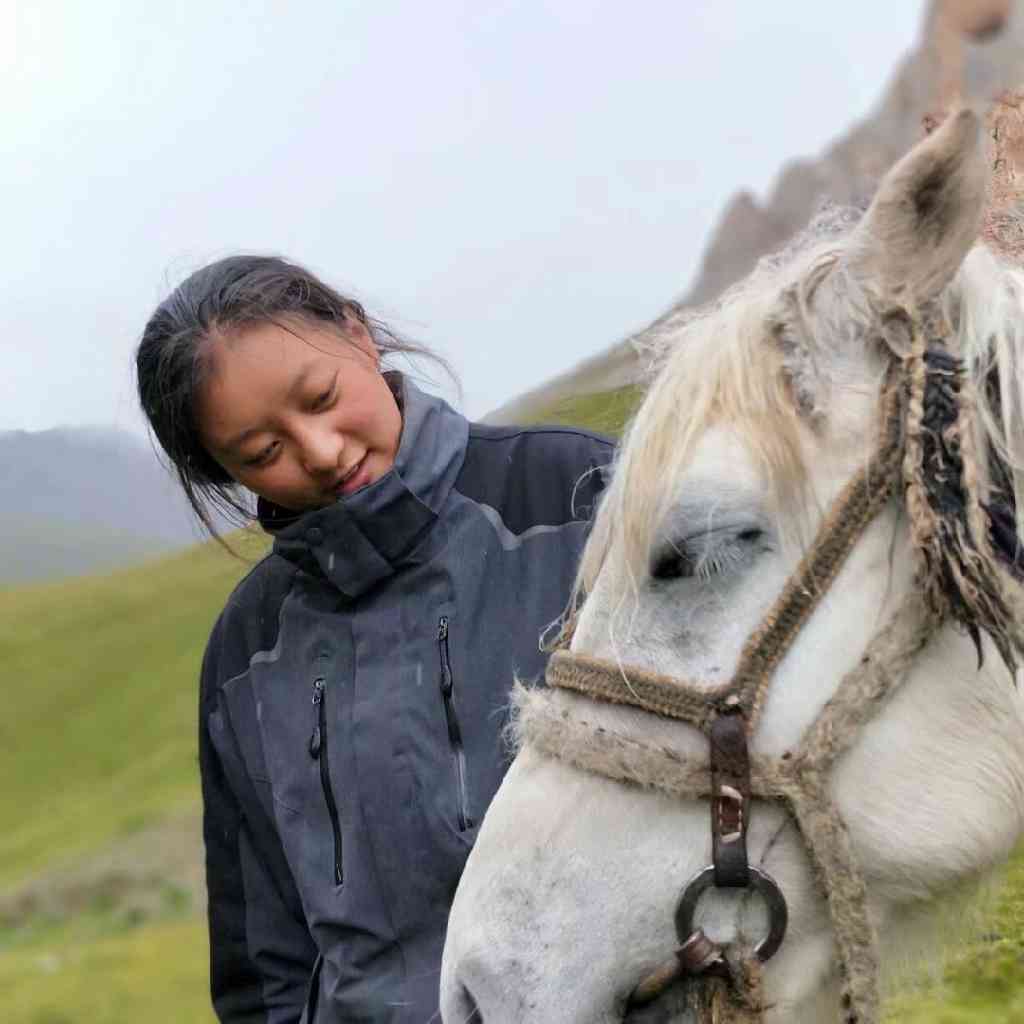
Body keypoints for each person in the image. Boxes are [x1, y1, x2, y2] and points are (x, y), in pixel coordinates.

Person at [135, 255, 614, 1023]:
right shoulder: (244, 653)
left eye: (321, 398)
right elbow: (262, 971)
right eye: (263, 454)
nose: (320, 451)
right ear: (227, 472)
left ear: (358, 334)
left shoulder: (584, 500)